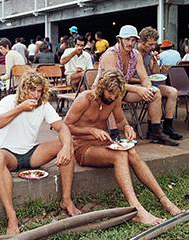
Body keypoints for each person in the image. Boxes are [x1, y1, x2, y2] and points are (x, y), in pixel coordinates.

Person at [64, 69, 183, 225]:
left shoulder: (114, 99)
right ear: (101, 87)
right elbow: (65, 125)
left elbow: (120, 121)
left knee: (131, 151)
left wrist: (127, 127)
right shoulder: (85, 98)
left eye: (116, 93)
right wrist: (91, 130)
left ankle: (164, 200)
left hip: (103, 143)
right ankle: (137, 210)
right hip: (82, 147)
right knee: (120, 155)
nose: (112, 97)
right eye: (109, 92)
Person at [0, 71, 80, 235]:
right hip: (9, 154)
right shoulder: (9, 101)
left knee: (65, 144)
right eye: (32, 90)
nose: (36, 95)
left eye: (39, 91)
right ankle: (11, 216)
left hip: (31, 153)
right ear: (23, 88)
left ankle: (66, 200)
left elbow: (62, 127)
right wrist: (19, 109)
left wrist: (67, 146)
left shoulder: (43, 104)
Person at [97, 25, 177, 145]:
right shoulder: (110, 54)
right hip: (105, 90)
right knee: (114, 95)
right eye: (127, 39)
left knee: (155, 93)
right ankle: (114, 133)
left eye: (133, 40)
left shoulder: (136, 55)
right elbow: (112, 82)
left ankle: (155, 132)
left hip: (124, 89)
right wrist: (138, 90)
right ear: (119, 40)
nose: (130, 43)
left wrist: (148, 88)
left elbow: (144, 78)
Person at [137, 27, 182, 140]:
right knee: (153, 91)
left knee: (173, 91)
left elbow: (155, 73)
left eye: (154, 44)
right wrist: (144, 81)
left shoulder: (149, 53)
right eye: (150, 44)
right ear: (142, 42)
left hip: (148, 83)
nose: (153, 47)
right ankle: (152, 129)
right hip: (135, 85)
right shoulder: (133, 53)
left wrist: (155, 61)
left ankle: (168, 126)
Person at [0, 38, 25, 108]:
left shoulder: (8, 55)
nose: (0, 50)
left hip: (12, 83)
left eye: (1, 48)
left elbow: (8, 75)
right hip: (20, 81)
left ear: (7, 47)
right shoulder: (16, 53)